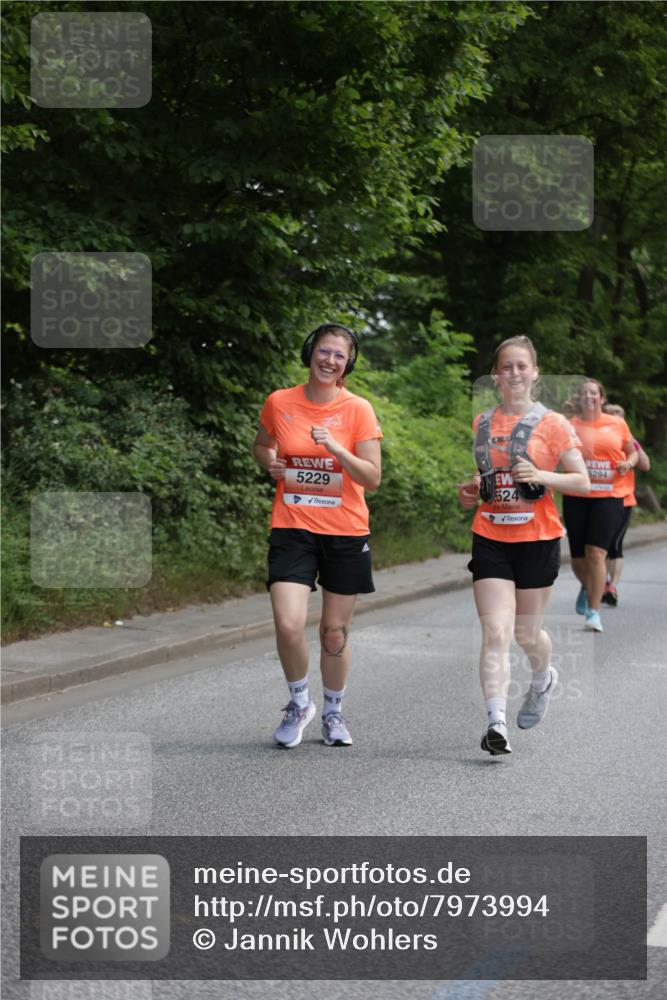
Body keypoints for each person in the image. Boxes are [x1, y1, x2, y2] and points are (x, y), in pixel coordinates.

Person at [252, 323, 382, 749]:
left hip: (345, 530)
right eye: (323, 352)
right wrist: (269, 463)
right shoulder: (279, 401)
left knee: (333, 632)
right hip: (293, 526)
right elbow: (262, 445)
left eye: (339, 356)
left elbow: (373, 477)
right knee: (288, 622)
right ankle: (299, 702)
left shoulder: (358, 409)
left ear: (348, 365)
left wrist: (339, 451)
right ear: (310, 353)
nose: (329, 360)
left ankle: (333, 711)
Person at [458, 336, 589, 757]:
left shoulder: (553, 424)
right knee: (495, 631)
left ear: (534, 373)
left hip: (538, 538)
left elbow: (582, 481)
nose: (514, 373)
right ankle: (495, 722)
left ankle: (542, 678)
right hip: (491, 535)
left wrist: (543, 476)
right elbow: (488, 480)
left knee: (526, 633)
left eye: (522, 367)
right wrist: (471, 492)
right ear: (496, 376)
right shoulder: (482, 422)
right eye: (506, 367)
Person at [561, 380, 639, 631]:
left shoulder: (617, 423)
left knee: (597, 553)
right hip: (577, 495)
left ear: (601, 398)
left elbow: (633, 451)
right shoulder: (570, 424)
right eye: (584, 393)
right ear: (579, 398)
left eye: (593, 392)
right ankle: (589, 585)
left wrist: (628, 463)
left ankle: (593, 613)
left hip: (609, 495)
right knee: (577, 559)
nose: (588, 396)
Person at [599, 404, 651, 606]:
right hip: (598, 499)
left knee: (615, 545)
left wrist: (634, 445)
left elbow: (645, 465)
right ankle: (602, 583)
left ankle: (612, 586)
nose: (615, 418)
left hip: (623, 499)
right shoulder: (601, 437)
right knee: (599, 546)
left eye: (619, 414)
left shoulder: (628, 440)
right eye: (611, 414)